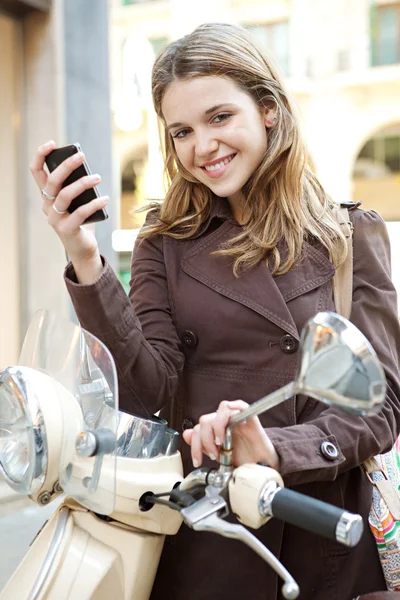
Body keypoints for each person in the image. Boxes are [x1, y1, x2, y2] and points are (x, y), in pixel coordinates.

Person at [29, 22, 400, 600]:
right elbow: (146, 392)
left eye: (220, 117)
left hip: (319, 537)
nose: (202, 146)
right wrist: (85, 258)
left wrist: (276, 450)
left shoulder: (348, 236)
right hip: (205, 536)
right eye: (182, 131)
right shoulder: (165, 240)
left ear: (269, 110)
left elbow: (378, 410)